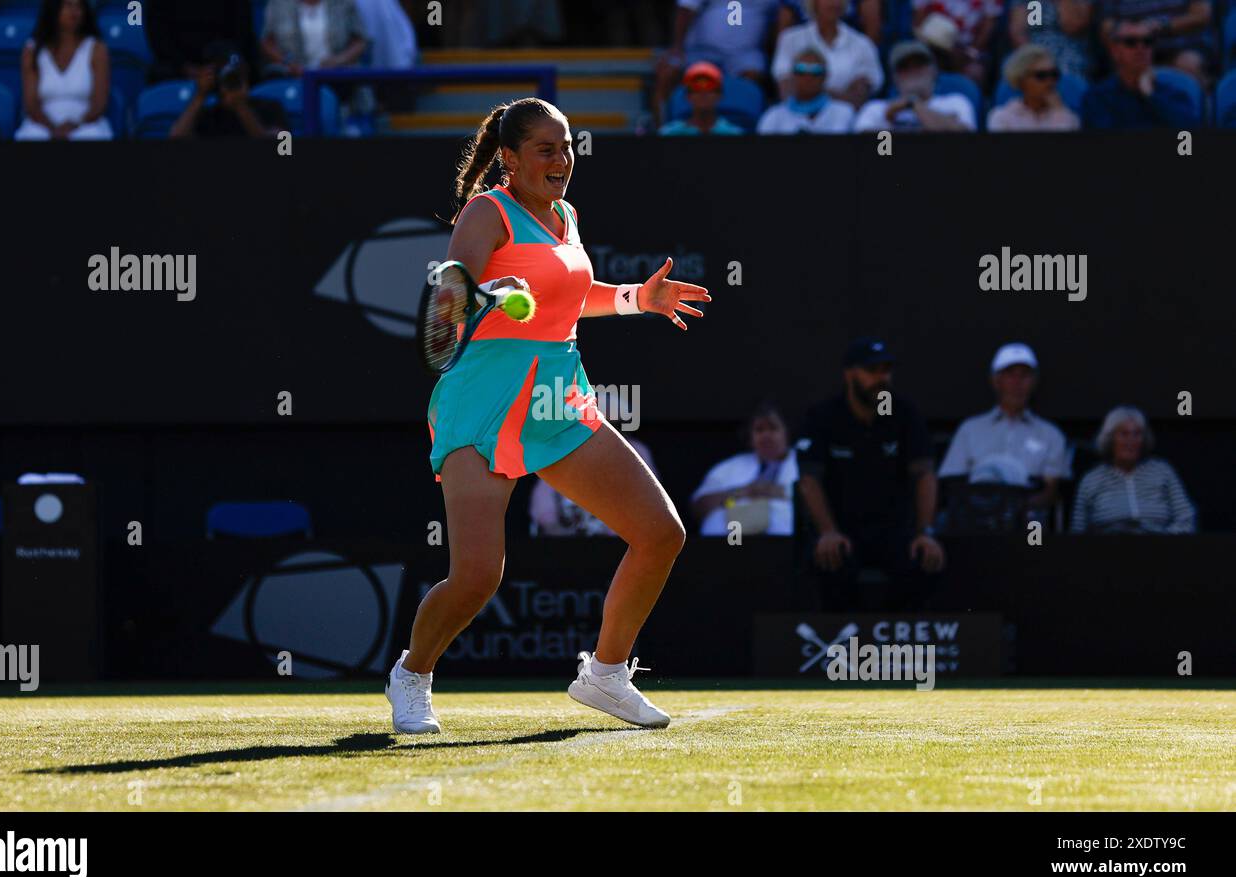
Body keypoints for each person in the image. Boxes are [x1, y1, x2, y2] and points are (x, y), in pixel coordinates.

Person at [389, 98, 712, 734]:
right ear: (508, 159)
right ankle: (413, 673)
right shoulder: (487, 212)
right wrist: (486, 295)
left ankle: (605, 675)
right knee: (479, 575)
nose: (562, 160)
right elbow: (442, 312)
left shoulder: (565, 214)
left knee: (660, 532)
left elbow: (569, 296)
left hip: (558, 397)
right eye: (546, 149)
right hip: (482, 401)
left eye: (567, 147)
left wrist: (634, 298)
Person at [795, 338, 945, 611]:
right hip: (842, 529)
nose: (881, 378)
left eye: (886, 370)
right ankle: (842, 645)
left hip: (895, 531)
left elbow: (925, 475)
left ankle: (896, 642)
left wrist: (926, 532)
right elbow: (809, 479)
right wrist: (827, 531)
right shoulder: (823, 417)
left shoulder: (905, 414)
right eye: (872, 371)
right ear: (849, 373)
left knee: (924, 560)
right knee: (829, 562)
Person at [937, 343, 1069, 522]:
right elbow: (951, 483)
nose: (1017, 382)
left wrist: (1017, 509)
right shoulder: (970, 429)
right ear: (996, 380)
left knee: (1037, 536)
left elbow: (1051, 491)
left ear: (1034, 381)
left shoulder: (1051, 434)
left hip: (1030, 521)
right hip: (976, 519)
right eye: (1010, 374)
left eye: (1024, 375)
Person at [529, 396, 657, 536]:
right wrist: (557, 531)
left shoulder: (638, 451)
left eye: (613, 425)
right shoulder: (563, 451)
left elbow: (650, 500)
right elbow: (544, 505)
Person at [1071, 406, 1196, 533]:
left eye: (1137, 434)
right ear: (1110, 439)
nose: (1131, 441)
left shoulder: (1162, 471)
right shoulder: (1091, 479)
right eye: (1124, 434)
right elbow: (1078, 529)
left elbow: (1186, 518)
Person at [652, 0, 777, 122]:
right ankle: (663, 131)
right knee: (667, 73)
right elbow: (685, 11)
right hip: (702, 51)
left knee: (752, 77)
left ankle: (743, 130)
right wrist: (677, 48)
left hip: (745, 53)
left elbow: (777, 21)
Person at [691, 401, 800, 537]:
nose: (766, 435)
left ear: (787, 432)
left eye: (773, 428)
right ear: (750, 437)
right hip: (732, 544)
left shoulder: (804, 464)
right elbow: (699, 508)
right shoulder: (730, 467)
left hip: (788, 545)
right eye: (759, 430)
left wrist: (781, 493)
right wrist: (743, 492)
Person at [15, 0, 113, 141]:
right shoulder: (32, 50)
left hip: (86, 123)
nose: (74, 11)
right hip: (42, 123)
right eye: (68, 5)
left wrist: (74, 125)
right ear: (53, 9)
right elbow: (31, 104)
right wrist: (52, 128)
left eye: (78, 6)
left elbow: (99, 103)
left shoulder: (97, 49)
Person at [1081, 18, 1201, 128]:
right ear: (1114, 51)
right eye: (1131, 42)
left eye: (1147, 42)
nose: (1141, 48)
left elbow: (1188, 135)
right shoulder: (1098, 98)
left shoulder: (1173, 95)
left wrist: (1152, 96)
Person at [771, 0, 883, 109]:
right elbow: (787, 92)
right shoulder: (789, 39)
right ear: (814, 3)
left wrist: (812, 92)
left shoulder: (863, 44)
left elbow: (857, 99)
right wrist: (835, 95)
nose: (834, 2)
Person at [853, 40, 977, 131]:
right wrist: (887, 118)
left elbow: (964, 140)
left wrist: (914, 104)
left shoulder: (956, 102)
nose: (913, 71)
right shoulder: (875, 109)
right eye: (905, 67)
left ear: (933, 70)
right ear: (895, 77)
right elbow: (868, 149)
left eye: (919, 65)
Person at [169, 49, 289, 139]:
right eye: (228, 78)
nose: (233, 82)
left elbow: (284, 150)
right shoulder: (208, 115)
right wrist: (200, 96)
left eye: (238, 76)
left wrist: (241, 107)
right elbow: (175, 138)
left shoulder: (271, 107)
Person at [1099, 0, 1213, 86]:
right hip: (1132, 45)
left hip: (1179, 47)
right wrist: (1131, 31)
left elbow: (1201, 16)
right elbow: (1106, 26)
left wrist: (1162, 26)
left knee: (1189, 63)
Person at [146, 0, 258, 84]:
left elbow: (242, 30)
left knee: (248, 69)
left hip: (224, 60)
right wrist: (185, 67)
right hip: (179, 64)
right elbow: (158, 36)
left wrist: (220, 65)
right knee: (161, 73)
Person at [260, 0, 369, 78]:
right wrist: (287, 63)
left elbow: (360, 40)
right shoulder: (278, 3)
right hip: (293, 78)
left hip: (338, 78)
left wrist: (339, 60)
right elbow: (267, 41)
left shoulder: (344, 2)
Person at [758, 48, 855, 133]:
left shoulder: (844, 113)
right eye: (801, 70)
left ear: (825, 76)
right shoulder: (773, 117)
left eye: (816, 71)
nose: (808, 76)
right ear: (792, 75)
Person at [987, 45, 1080, 131]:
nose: (1050, 81)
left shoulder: (1068, 117)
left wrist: (1059, 113)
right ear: (1021, 80)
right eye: (1041, 75)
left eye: (1054, 74)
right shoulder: (1002, 118)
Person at [911, 0, 1003, 85]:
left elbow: (989, 22)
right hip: (930, 44)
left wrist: (970, 51)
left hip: (967, 50)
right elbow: (918, 19)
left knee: (975, 72)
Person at [1008, 0, 1095, 80]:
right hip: (1032, 50)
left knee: (1064, 74)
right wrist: (1032, 59)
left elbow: (1072, 25)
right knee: (1016, 74)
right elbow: (1018, 31)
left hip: (1069, 52)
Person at [659, 61, 746, 135]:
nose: (703, 94)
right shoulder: (670, 133)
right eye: (696, 90)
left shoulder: (733, 133)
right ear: (687, 96)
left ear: (720, 95)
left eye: (709, 89)